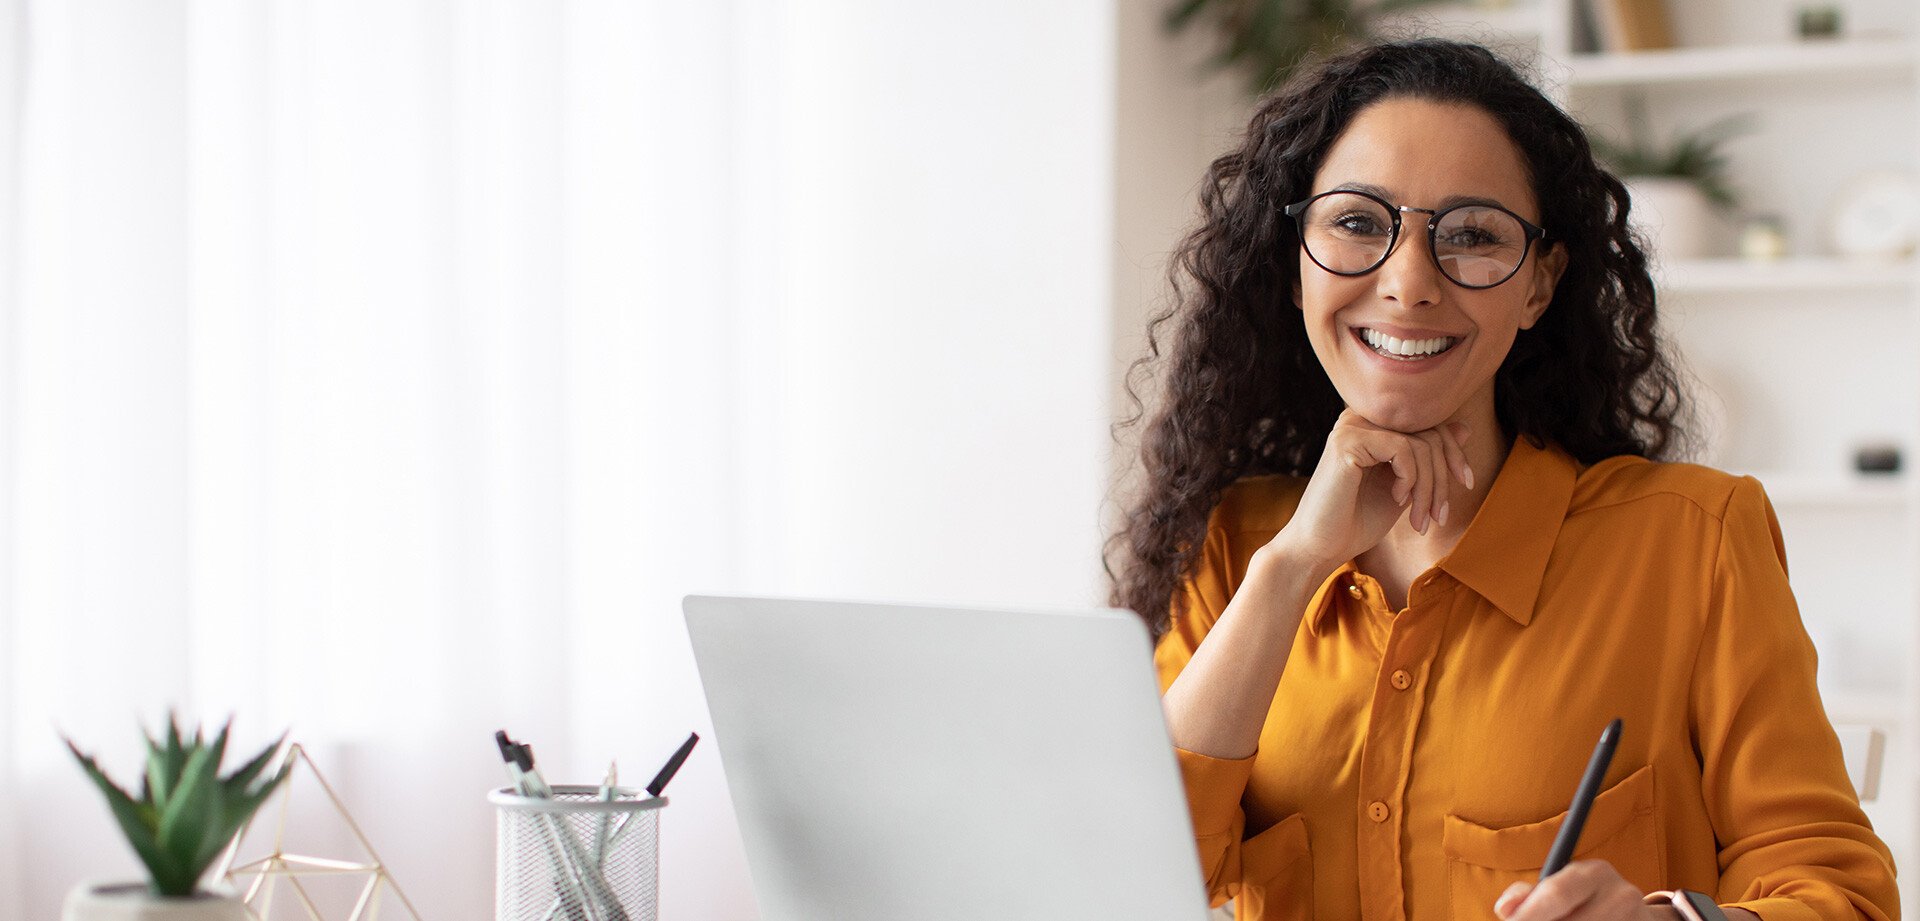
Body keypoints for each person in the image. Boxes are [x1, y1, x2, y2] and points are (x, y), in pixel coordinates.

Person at [1105, 38, 1899, 921]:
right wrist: (1291, 568)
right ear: (1296, 263)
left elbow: (1841, 895)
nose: (1407, 284)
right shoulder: (1240, 547)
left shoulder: (1693, 542)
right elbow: (1122, 876)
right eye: (1358, 223)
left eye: (1474, 235)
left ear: (1538, 286)